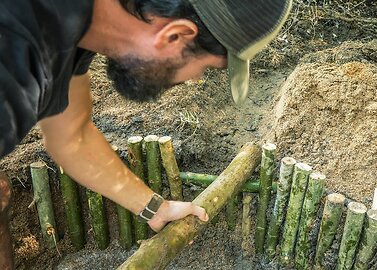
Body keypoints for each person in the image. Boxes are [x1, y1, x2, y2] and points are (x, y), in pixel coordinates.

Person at [0, 0, 292, 268]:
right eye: (203, 67)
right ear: (174, 35)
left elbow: (73, 137)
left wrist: (156, 208)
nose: (195, 79)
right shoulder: (15, 59)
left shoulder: (75, 25)